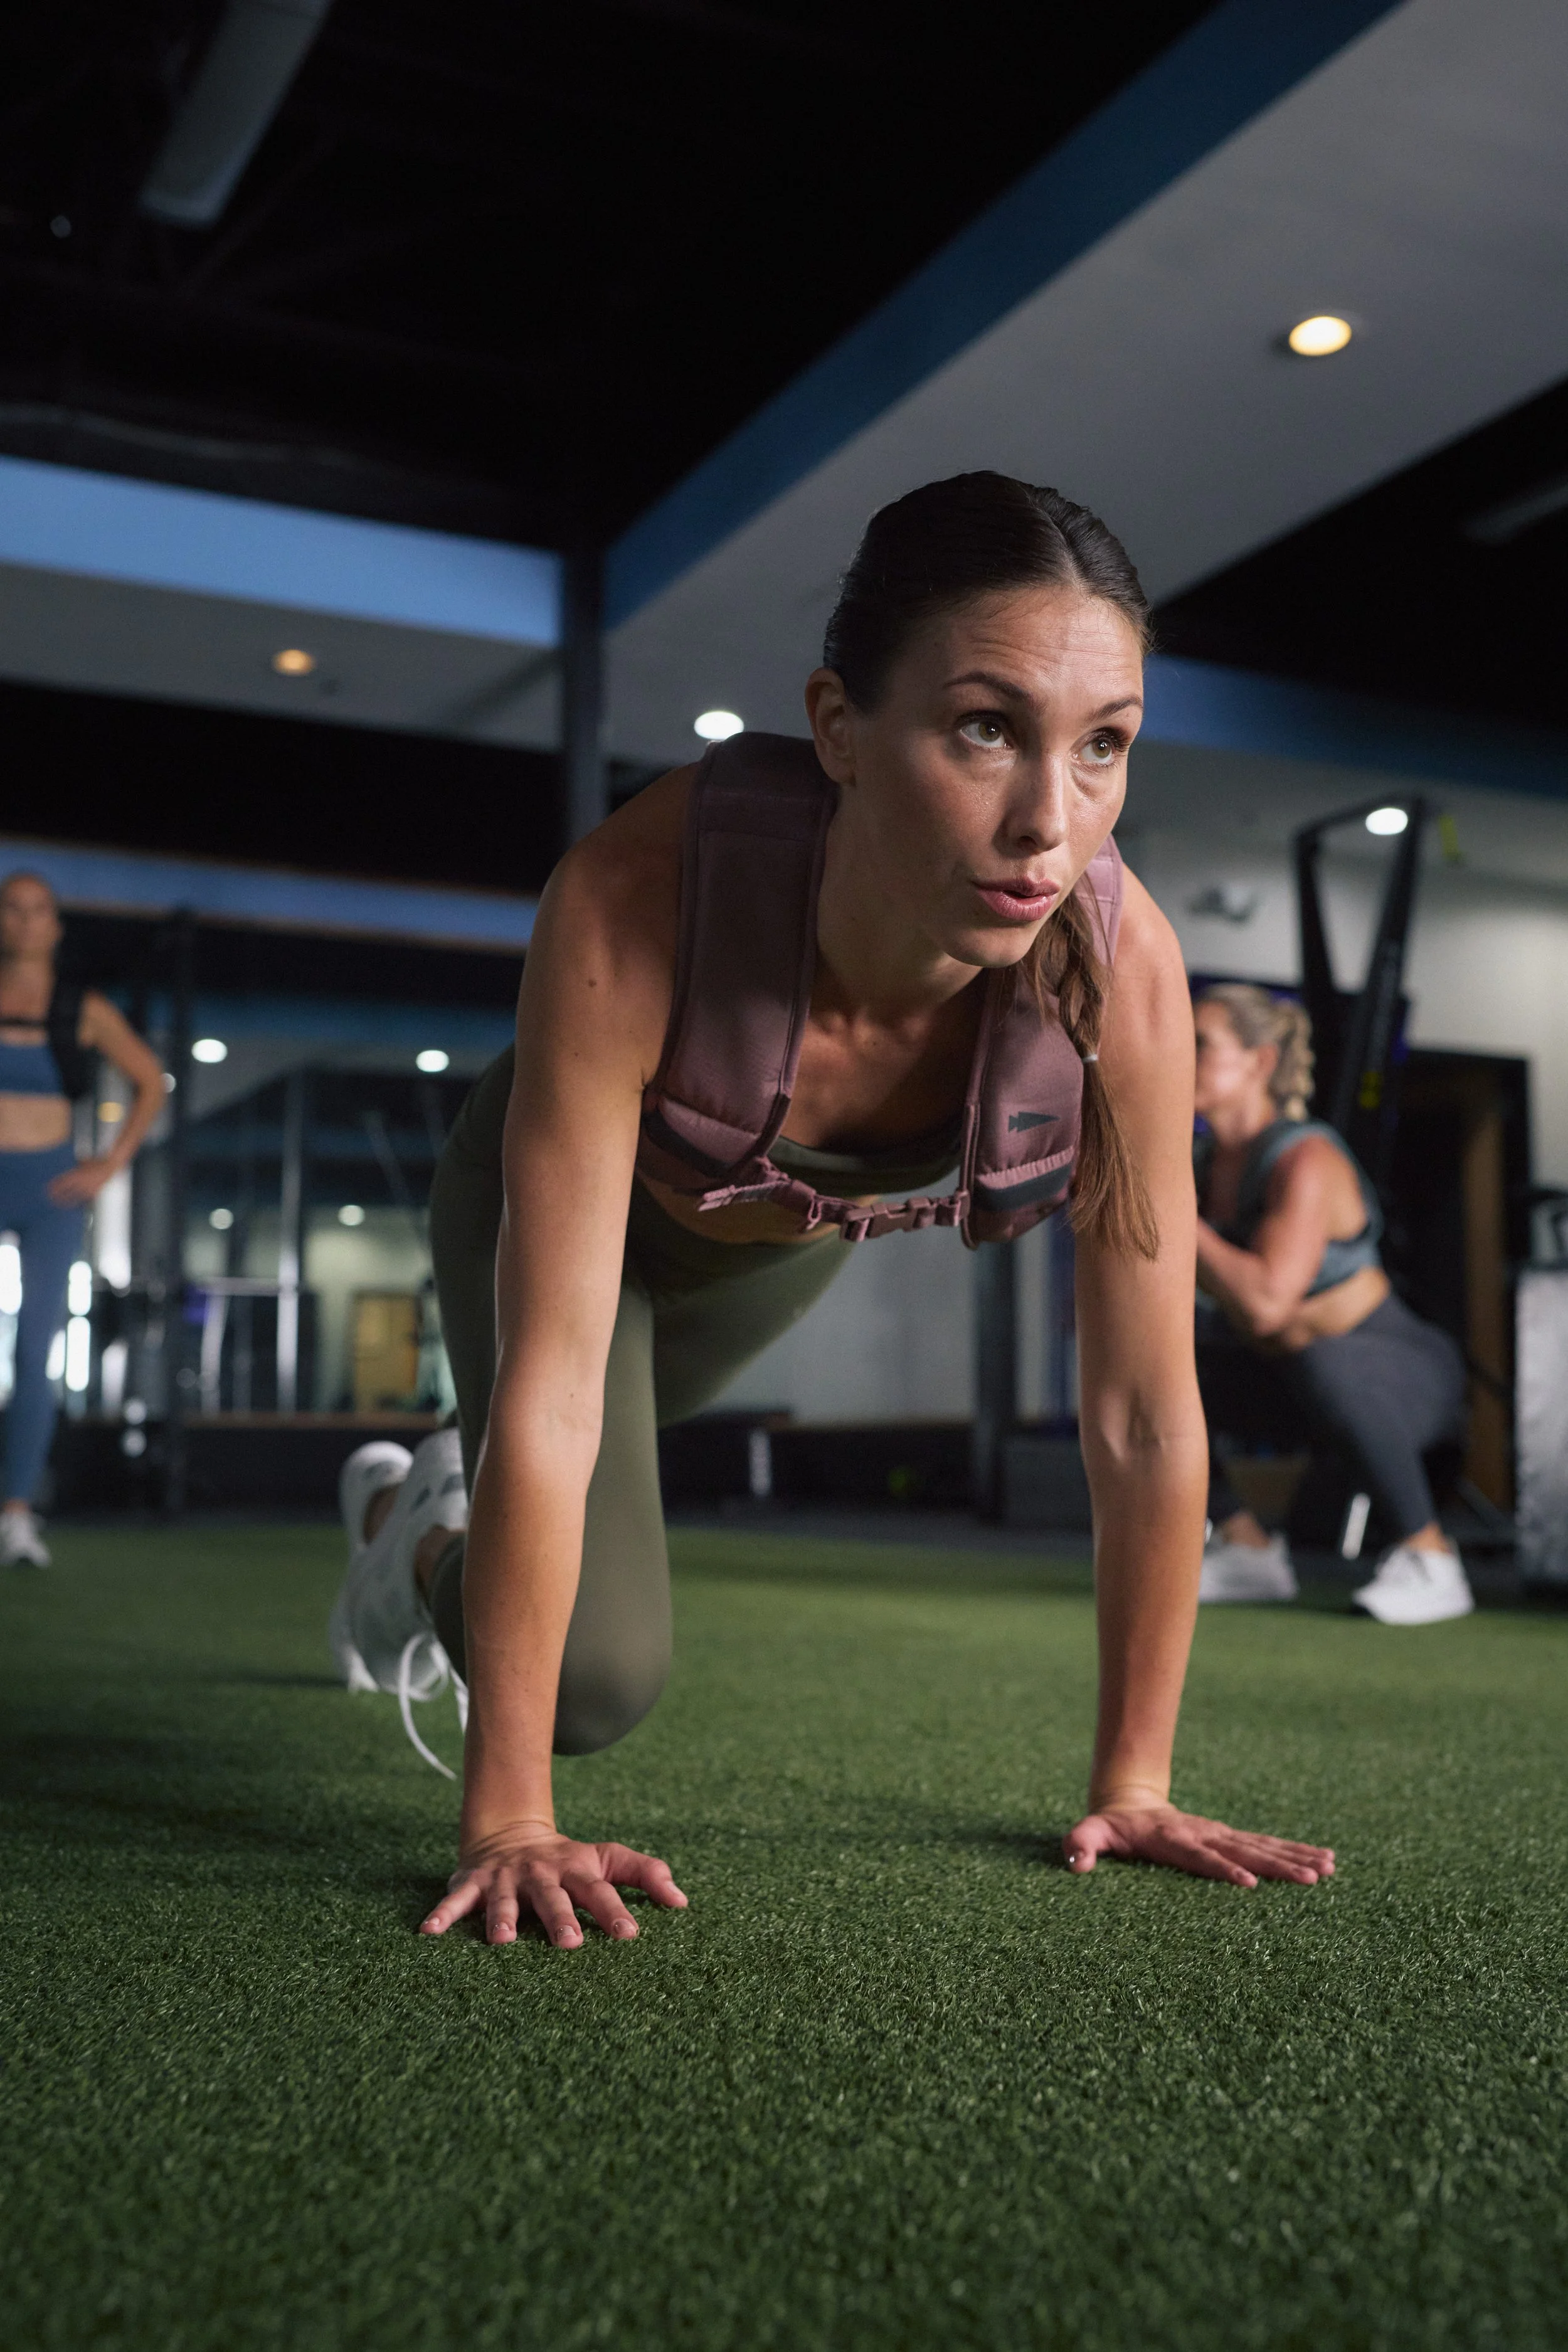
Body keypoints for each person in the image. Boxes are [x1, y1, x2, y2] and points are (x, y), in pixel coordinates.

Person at [331, 473, 1335, 1948]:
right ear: (840, 726)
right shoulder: (635, 896)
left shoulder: (1126, 975)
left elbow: (1139, 1406)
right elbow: (553, 1392)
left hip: (778, 1242)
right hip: (566, 1224)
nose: (1048, 824)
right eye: (984, 727)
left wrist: (1136, 1775)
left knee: (593, 1501)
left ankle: (438, 1496)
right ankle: (403, 1522)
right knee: (597, 1678)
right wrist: (512, 1815)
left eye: (1104, 745)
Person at [1192, 983, 1473, 1624]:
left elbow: (1265, 1303)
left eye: (1200, 1045)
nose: (1178, 1055)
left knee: (1321, 1355)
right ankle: (1246, 1548)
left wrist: (1180, 1223)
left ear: (1259, 1063)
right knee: (1142, 1361)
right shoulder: (1205, 1165)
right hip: (1292, 1377)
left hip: (1398, 1375)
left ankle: (1432, 1560)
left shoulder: (1305, 1159)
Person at [0, 871, 166, 1565]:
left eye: (39, 911)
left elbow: (150, 1081)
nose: (25, 921)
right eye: (12, 909)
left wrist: (109, 1163)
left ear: (56, 926)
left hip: (52, 1190)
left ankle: (15, 1517)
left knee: (36, 1355)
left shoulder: (82, 1007)